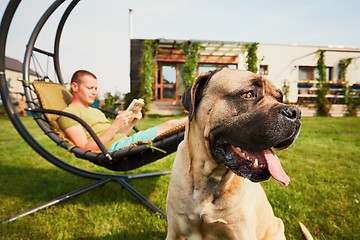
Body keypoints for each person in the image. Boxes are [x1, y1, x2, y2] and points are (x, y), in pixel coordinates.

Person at [57, 70, 187, 152]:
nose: (94, 92)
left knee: (175, 126)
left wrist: (131, 124)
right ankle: (199, 116)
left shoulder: (95, 111)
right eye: (90, 88)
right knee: (171, 125)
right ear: (75, 86)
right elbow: (85, 148)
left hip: (122, 143)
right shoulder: (69, 115)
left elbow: (118, 137)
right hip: (115, 150)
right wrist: (115, 126)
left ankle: (199, 119)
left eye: (96, 88)